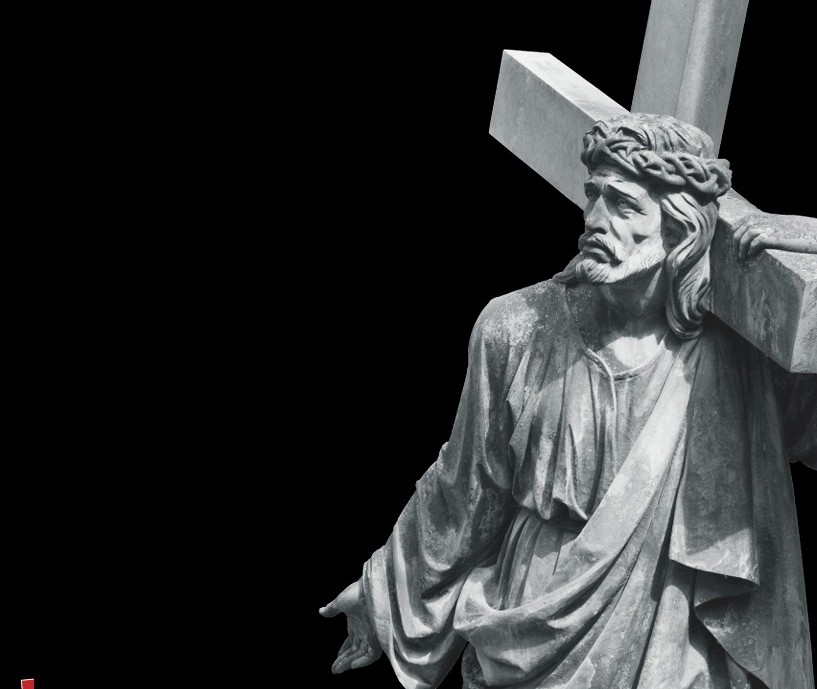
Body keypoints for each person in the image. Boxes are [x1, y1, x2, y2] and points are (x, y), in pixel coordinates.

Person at [319, 114, 816, 689]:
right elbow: (466, 488)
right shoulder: (517, 328)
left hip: (673, 626)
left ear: (681, 228)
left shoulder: (739, 353)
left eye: (624, 205)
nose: (597, 220)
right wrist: (382, 593)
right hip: (536, 618)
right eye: (593, 196)